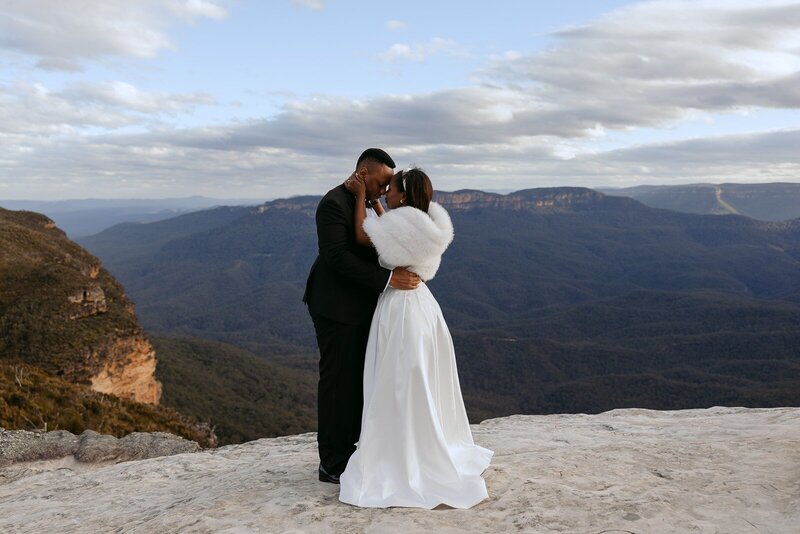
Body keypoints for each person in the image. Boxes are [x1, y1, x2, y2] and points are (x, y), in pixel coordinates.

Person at [338, 167, 493, 509]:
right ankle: (426, 440)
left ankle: (399, 450)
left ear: (403, 196)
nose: (386, 193)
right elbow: (395, 231)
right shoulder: (428, 223)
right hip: (424, 306)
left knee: (399, 379)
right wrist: (380, 207)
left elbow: (366, 237)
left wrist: (362, 196)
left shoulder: (399, 223)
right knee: (419, 376)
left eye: (390, 189)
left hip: (401, 308)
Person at [303, 148, 421, 484]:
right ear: (363, 173)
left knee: (356, 378)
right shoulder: (333, 203)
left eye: (388, 186)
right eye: (381, 183)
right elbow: (337, 256)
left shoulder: (366, 202)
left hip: (359, 305)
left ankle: (350, 448)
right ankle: (332, 463)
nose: (384, 191)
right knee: (338, 380)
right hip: (335, 307)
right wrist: (387, 280)